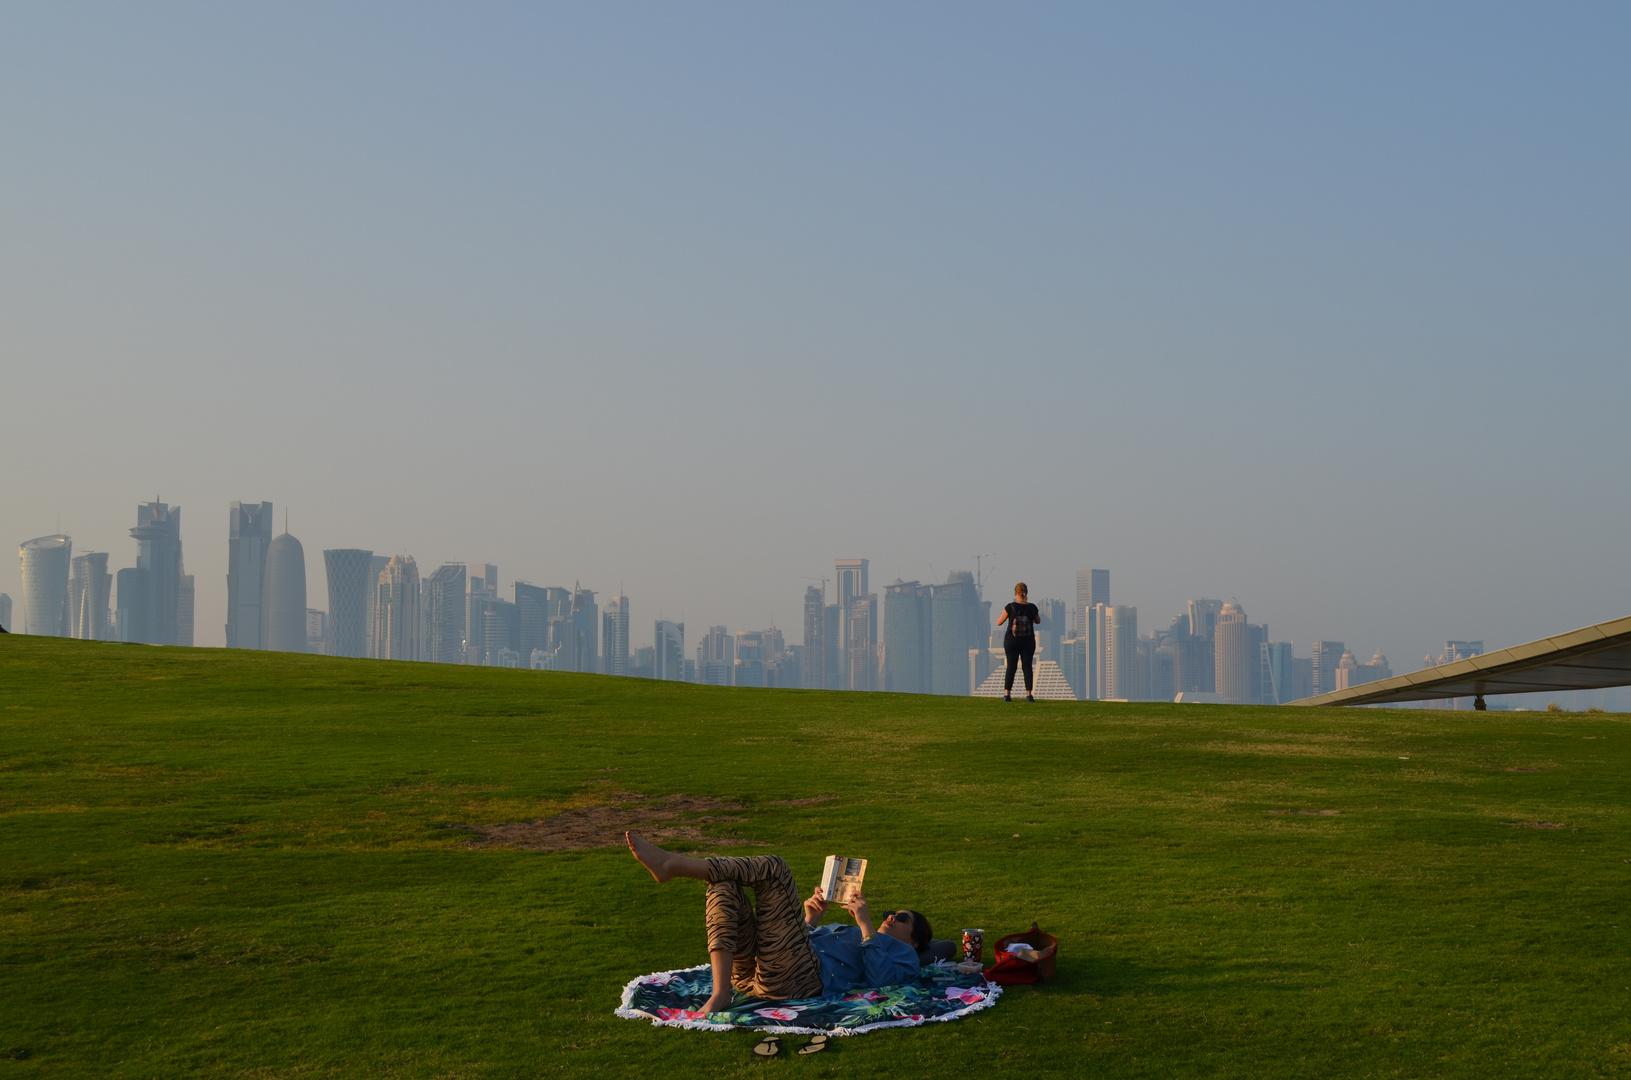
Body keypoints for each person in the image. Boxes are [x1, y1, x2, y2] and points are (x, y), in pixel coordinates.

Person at [626, 832, 930, 1015]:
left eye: (902, 918)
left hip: (801, 982)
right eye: (891, 912)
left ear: (914, 940)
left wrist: (866, 926)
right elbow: (791, 946)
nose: (891, 916)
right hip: (750, 976)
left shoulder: (905, 955)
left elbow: (883, 982)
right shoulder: (844, 931)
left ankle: (672, 865)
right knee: (725, 887)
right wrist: (809, 922)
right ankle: (721, 992)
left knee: (776, 867)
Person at [996, 581, 1041, 702]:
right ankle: (1029, 695)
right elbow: (1038, 620)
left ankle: (1007, 694)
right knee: (1027, 667)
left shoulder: (1010, 607)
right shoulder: (1032, 607)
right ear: (1026, 593)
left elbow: (999, 622)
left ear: (1016, 593)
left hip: (1012, 641)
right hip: (1028, 641)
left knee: (1011, 667)